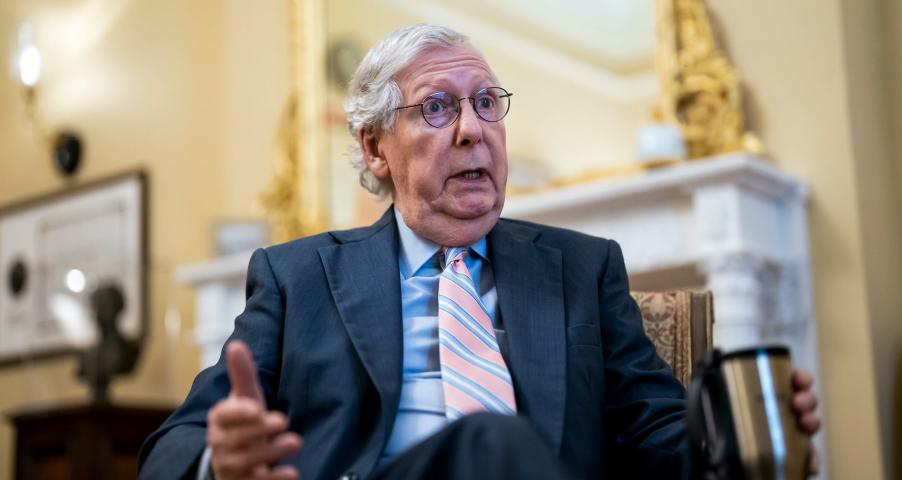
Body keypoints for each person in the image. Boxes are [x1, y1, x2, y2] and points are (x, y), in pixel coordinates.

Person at [138, 24, 820, 480]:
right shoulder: (297, 278)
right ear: (375, 144)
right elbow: (171, 447)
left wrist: (742, 429)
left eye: (488, 103)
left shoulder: (582, 271)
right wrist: (217, 463)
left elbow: (658, 433)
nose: (473, 131)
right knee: (491, 442)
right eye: (437, 108)